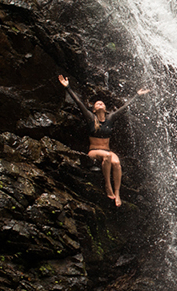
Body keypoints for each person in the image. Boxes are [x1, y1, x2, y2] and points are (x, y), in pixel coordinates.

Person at [58, 74, 150, 207]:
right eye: (97, 103)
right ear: (94, 109)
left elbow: (124, 108)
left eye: (102, 103)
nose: (100, 103)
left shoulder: (110, 118)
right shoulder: (91, 118)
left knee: (117, 163)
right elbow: (78, 103)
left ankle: (117, 193)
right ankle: (108, 185)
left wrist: (137, 95)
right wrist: (68, 88)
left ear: (105, 109)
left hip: (106, 151)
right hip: (94, 151)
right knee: (107, 156)